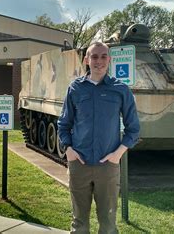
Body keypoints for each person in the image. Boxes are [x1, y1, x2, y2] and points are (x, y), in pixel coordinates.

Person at [58, 41, 140, 234]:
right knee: (79, 223)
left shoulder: (120, 90)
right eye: (94, 56)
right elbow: (63, 124)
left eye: (103, 56)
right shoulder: (75, 88)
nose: (99, 61)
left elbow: (133, 128)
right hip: (79, 164)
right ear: (87, 60)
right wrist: (68, 150)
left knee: (108, 223)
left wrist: (117, 155)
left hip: (108, 166)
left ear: (109, 60)